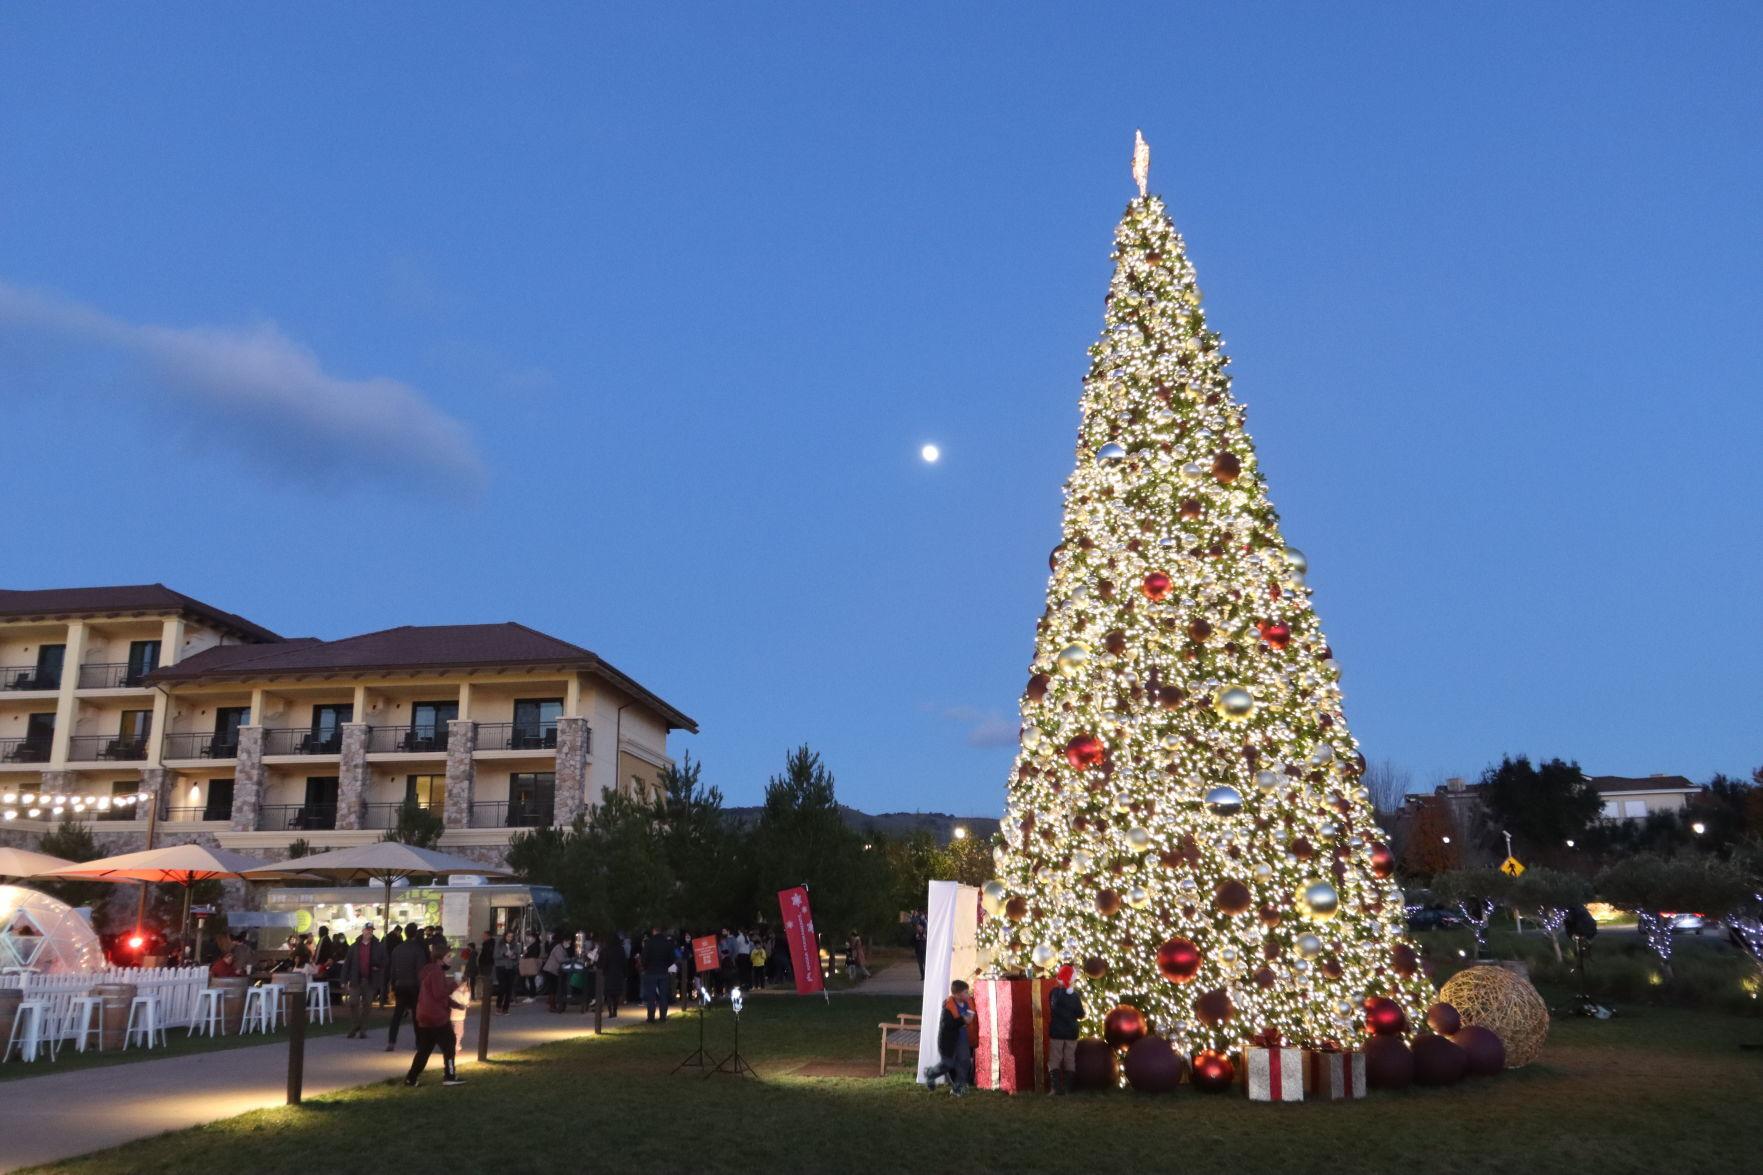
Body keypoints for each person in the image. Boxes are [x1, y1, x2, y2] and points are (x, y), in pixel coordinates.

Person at [404, 941, 466, 1088]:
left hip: (425, 1015)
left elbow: (436, 995)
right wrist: (455, 985)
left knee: (424, 1050)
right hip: (436, 1016)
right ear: (440, 959)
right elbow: (439, 994)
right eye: (448, 956)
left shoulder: (429, 972)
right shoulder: (437, 972)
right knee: (449, 1045)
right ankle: (449, 1075)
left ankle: (411, 1078)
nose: (450, 959)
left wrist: (457, 1005)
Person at [922, 979, 976, 1096]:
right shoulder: (947, 1007)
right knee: (948, 1064)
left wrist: (969, 1020)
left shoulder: (968, 1003)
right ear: (957, 995)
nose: (968, 994)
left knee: (965, 1062)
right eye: (965, 992)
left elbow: (971, 1016)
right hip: (949, 1042)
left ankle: (958, 1087)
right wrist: (963, 1020)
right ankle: (931, 1073)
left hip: (962, 1039)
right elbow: (947, 1025)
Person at [386, 921, 427, 1051]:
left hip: (400, 984)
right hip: (414, 985)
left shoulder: (397, 949)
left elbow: (392, 969)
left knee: (397, 1015)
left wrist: (393, 985)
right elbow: (420, 970)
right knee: (416, 1015)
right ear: (415, 934)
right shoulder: (418, 950)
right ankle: (419, 1042)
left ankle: (391, 1041)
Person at [342, 923, 387, 1039]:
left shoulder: (378, 946)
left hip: (370, 979)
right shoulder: (354, 946)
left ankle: (363, 1029)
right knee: (353, 1002)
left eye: (371, 930)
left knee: (367, 1005)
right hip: (356, 978)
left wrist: (378, 967)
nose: (369, 932)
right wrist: (344, 979)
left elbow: (385, 961)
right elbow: (347, 963)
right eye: (367, 930)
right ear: (362, 931)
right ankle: (356, 1024)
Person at [1047, 965, 1084, 1095]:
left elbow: (1052, 1007)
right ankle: (1068, 1088)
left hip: (1056, 1032)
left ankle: (1055, 1088)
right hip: (1071, 1032)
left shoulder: (1054, 993)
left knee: (1055, 1058)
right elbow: (1081, 1014)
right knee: (1069, 1058)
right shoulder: (1075, 996)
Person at [641, 926, 674, 1022]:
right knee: (663, 995)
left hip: (651, 972)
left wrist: (646, 967)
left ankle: (651, 1017)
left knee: (651, 996)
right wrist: (666, 966)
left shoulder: (649, 943)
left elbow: (644, 958)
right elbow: (672, 958)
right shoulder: (667, 943)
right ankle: (663, 1016)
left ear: (653, 931)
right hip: (663, 971)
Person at [598, 930, 625, 1017]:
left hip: (608, 974)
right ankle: (615, 1010)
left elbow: (601, 962)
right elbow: (624, 962)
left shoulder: (606, 950)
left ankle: (610, 1011)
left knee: (608, 994)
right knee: (616, 994)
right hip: (618, 974)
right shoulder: (621, 949)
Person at [493, 929, 521, 1014]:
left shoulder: (515, 945)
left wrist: (514, 957)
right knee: (502, 987)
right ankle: (498, 1006)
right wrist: (504, 955)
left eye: (511, 937)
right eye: (508, 936)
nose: (510, 938)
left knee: (509, 988)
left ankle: (506, 1008)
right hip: (501, 967)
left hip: (511, 968)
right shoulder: (499, 944)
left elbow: (518, 957)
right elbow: (495, 956)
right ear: (505, 936)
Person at [543, 932, 570, 1012]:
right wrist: (570, 959)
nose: (569, 943)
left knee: (553, 988)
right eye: (568, 941)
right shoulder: (558, 948)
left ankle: (552, 1004)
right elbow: (561, 959)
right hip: (551, 970)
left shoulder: (562, 948)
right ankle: (552, 1005)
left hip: (553, 970)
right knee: (553, 988)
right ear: (564, 941)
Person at [522, 931, 543, 999]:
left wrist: (526, 952)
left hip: (531, 963)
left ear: (534, 938)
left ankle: (532, 995)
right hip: (531, 963)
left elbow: (534, 954)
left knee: (531, 980)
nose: (529, 938)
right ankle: (532, 994)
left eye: (530, 937)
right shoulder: (534, 944)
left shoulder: (535, 945)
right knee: (531, 980)